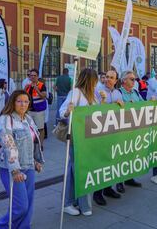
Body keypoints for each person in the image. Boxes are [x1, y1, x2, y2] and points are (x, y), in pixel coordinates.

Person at [0, 90, 44, 228]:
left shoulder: (28, 119)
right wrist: (15, 170)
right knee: (20, 207)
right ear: (13, 102)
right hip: (12, 169)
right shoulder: (6, 120)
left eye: (26, 101)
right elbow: (9, 145)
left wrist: (36, 160)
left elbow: (32, 142)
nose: (23, 104)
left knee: (29, 205)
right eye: (19, 101)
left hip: (29, 166)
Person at [59, 68, 99, 216]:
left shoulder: (93, 95)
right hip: (77, 137)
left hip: (89, 138)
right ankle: (71, 203)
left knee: (82, 169)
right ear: (89, 80)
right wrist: (68, 111)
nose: (96, 84)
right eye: (94, 81)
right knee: (78, 169)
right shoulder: (75, 92)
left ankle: (76, 202)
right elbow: (62, 111)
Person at [93, 70, 123, 206]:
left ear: (116, 81)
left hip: (114, 132)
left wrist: (121, 105)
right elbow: (94, 110)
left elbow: (122, 112)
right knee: (101, 163)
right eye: (106, 77)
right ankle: (97, 193)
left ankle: (108, 188)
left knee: (112, 161)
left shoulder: (117, 93)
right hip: (100, 133)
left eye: (111, 78)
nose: (108, 80)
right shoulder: (97, 91)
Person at [115, 70, 143, 193]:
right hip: (123, 130)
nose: (134, 81)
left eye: (135, 79)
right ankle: (119, 181)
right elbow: (114, 108)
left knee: (132, 154)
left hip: (135, 129)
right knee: (122, 156)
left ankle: (129, 177)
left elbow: (143, 105)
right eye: (132, 79)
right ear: (124, 80)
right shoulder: (118, 93)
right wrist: (126, 104)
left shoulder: (136, 93)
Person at [24, 69, 47, 146]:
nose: (33, 77)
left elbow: (43, 96)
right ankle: (32, 144)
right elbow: (24, 96)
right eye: (31, 75)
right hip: (29, 111)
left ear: (37, 76)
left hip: (39, 111)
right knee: (30, 128)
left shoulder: (41, 85)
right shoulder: (28, 85)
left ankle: (41, 145)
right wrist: (24, 89)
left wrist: (36, 89)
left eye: (34, 75)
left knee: (40, 128)